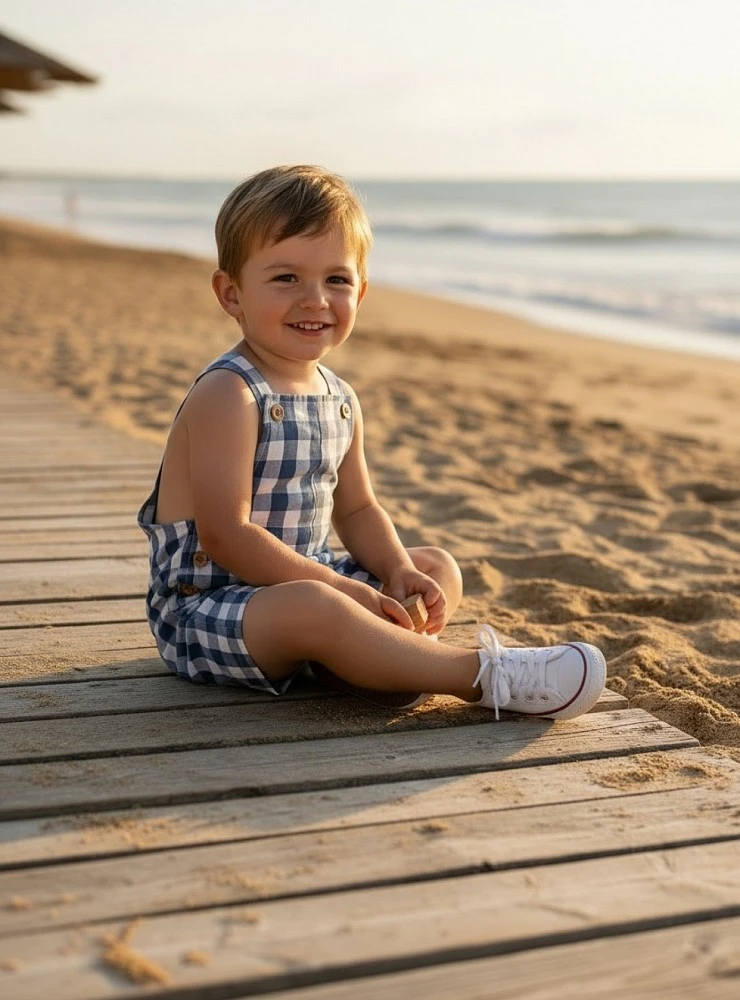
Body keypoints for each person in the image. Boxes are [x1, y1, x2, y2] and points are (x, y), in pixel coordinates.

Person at [137, 165, 607, 720]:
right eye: (286, 278)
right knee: (317, 604)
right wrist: (340, 588)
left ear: (360, 291)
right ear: (231, 292)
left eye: (336, 280)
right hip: (208, 611)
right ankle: (480, 676)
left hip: (306, 586)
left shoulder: (339, 397)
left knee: (436, 567)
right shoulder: (229, 393)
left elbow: (358, 508)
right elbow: (226, 535)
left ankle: (369, 659)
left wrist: (398, 568)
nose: (315, 299)